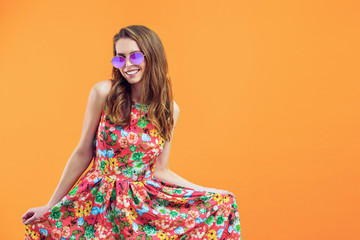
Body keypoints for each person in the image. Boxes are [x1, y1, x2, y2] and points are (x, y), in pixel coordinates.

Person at [22, 25, 242, 240]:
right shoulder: (104, 93)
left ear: (152, 57)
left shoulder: (169, 110)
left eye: (135, 56)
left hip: (142, 209)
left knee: (220, 205)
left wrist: (209, 191)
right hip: (98, 201)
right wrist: (50, 205)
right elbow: (83, 152)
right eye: (120, 58)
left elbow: (161, 170)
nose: (127, 65)